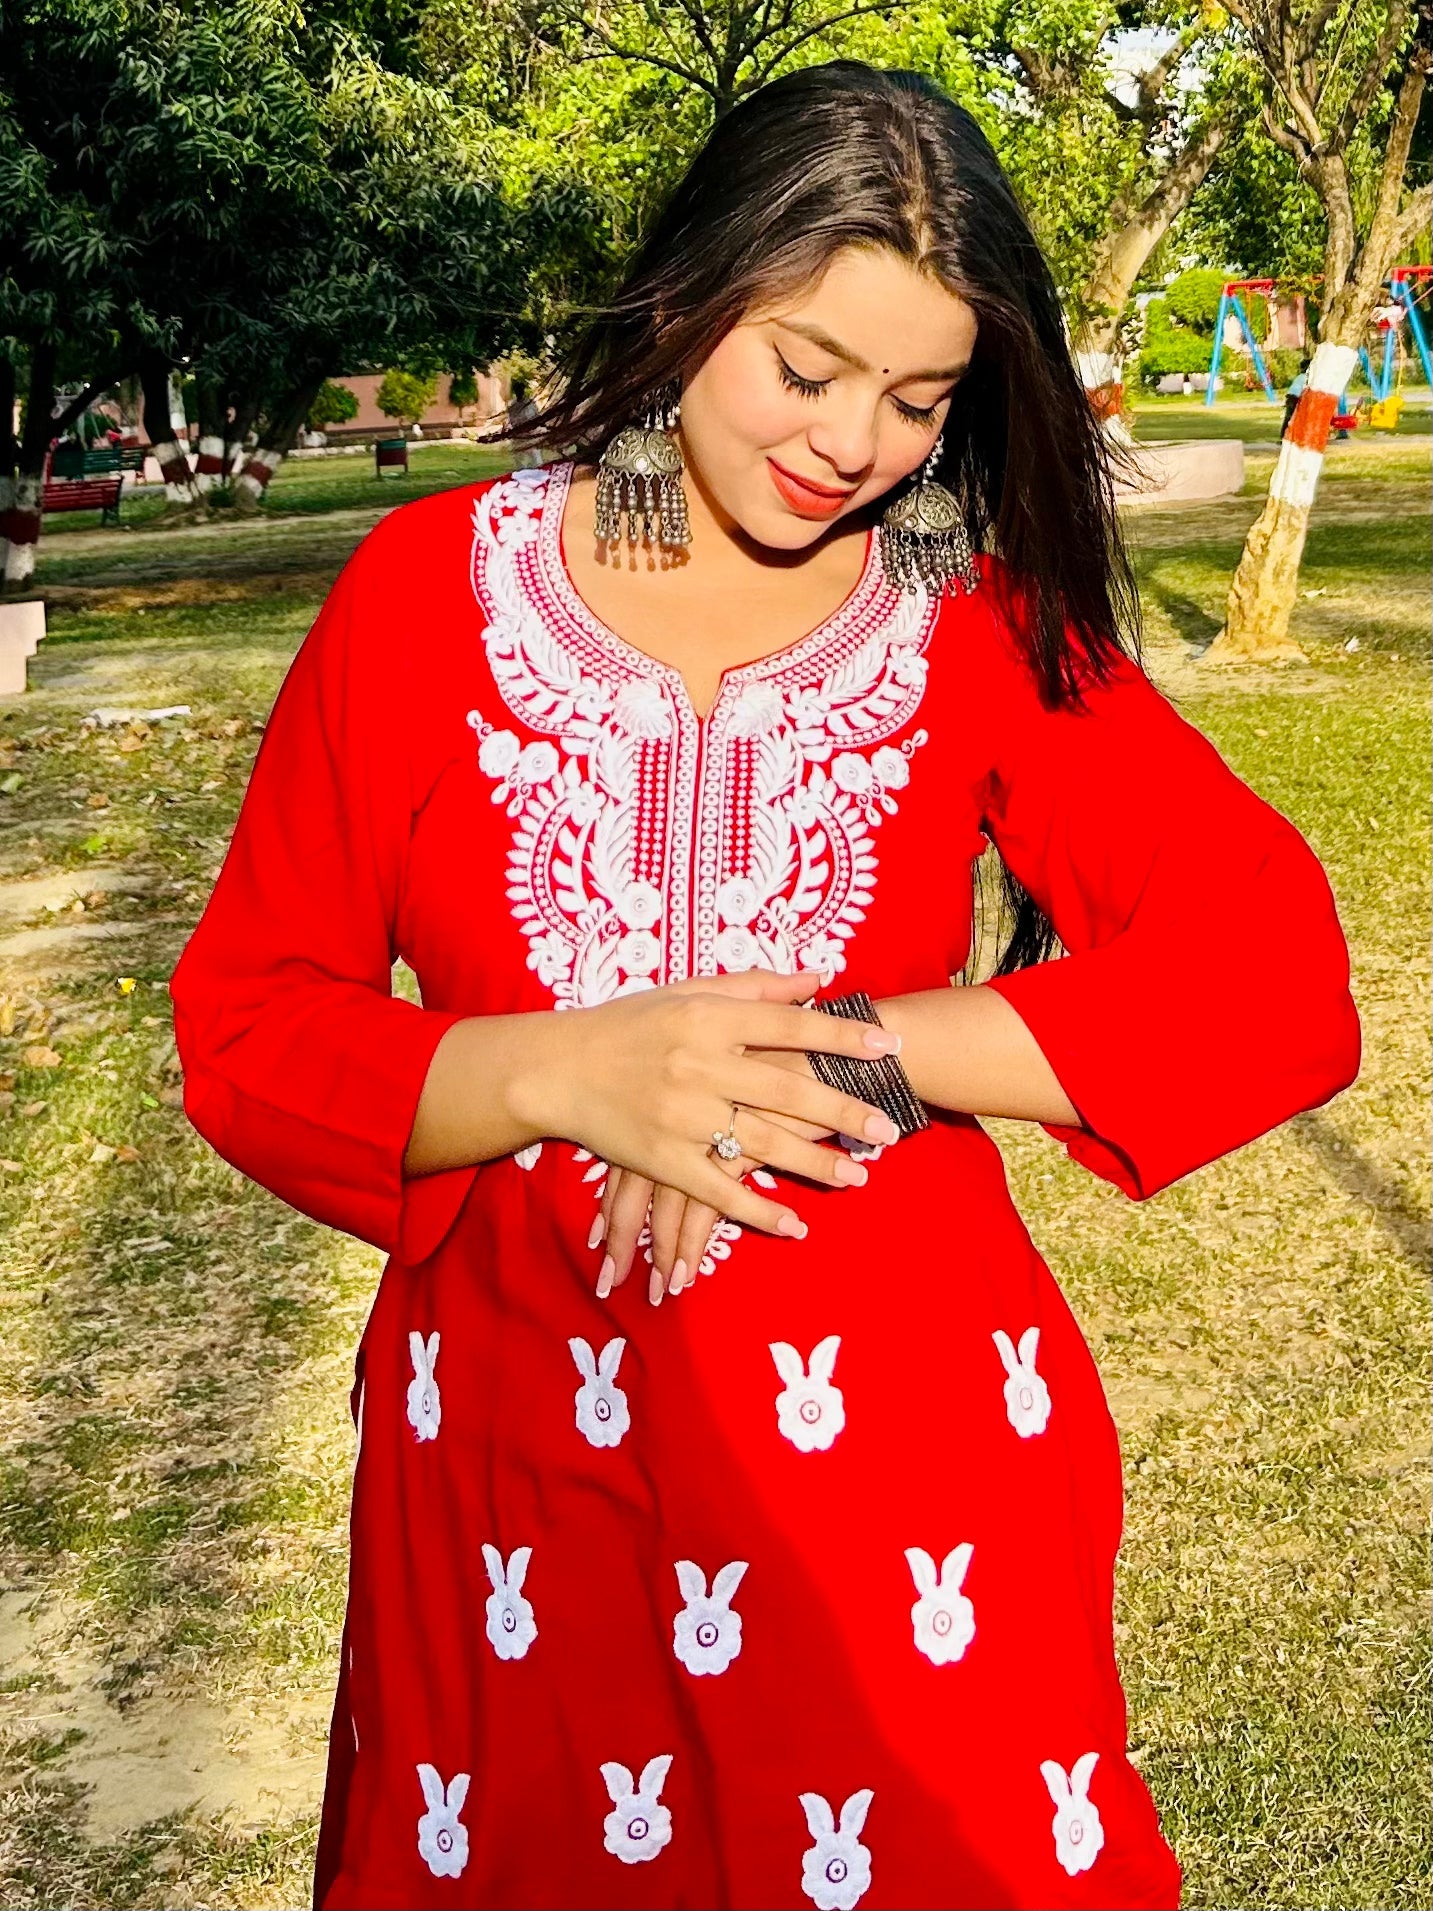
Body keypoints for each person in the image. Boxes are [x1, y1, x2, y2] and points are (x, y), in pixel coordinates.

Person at [170, 63, 1359, 1911]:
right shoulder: (424, 601)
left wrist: (852, 1048)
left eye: (918, 396)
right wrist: (564, 1070)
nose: (851, 444)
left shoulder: (968, 618)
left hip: (903, 1492)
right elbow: (250, 1026)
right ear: (687, 294)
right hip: (510, 1483)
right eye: (804, 369)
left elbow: (1269, 973)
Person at [1282, 355, 1311, 436]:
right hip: (1294, 398)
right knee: (1292, 417)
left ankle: (1284, 435)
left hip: (1290, 397)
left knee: (1288, 418)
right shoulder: (1306, 378)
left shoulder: (1299, 377)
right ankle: (1289, 435)